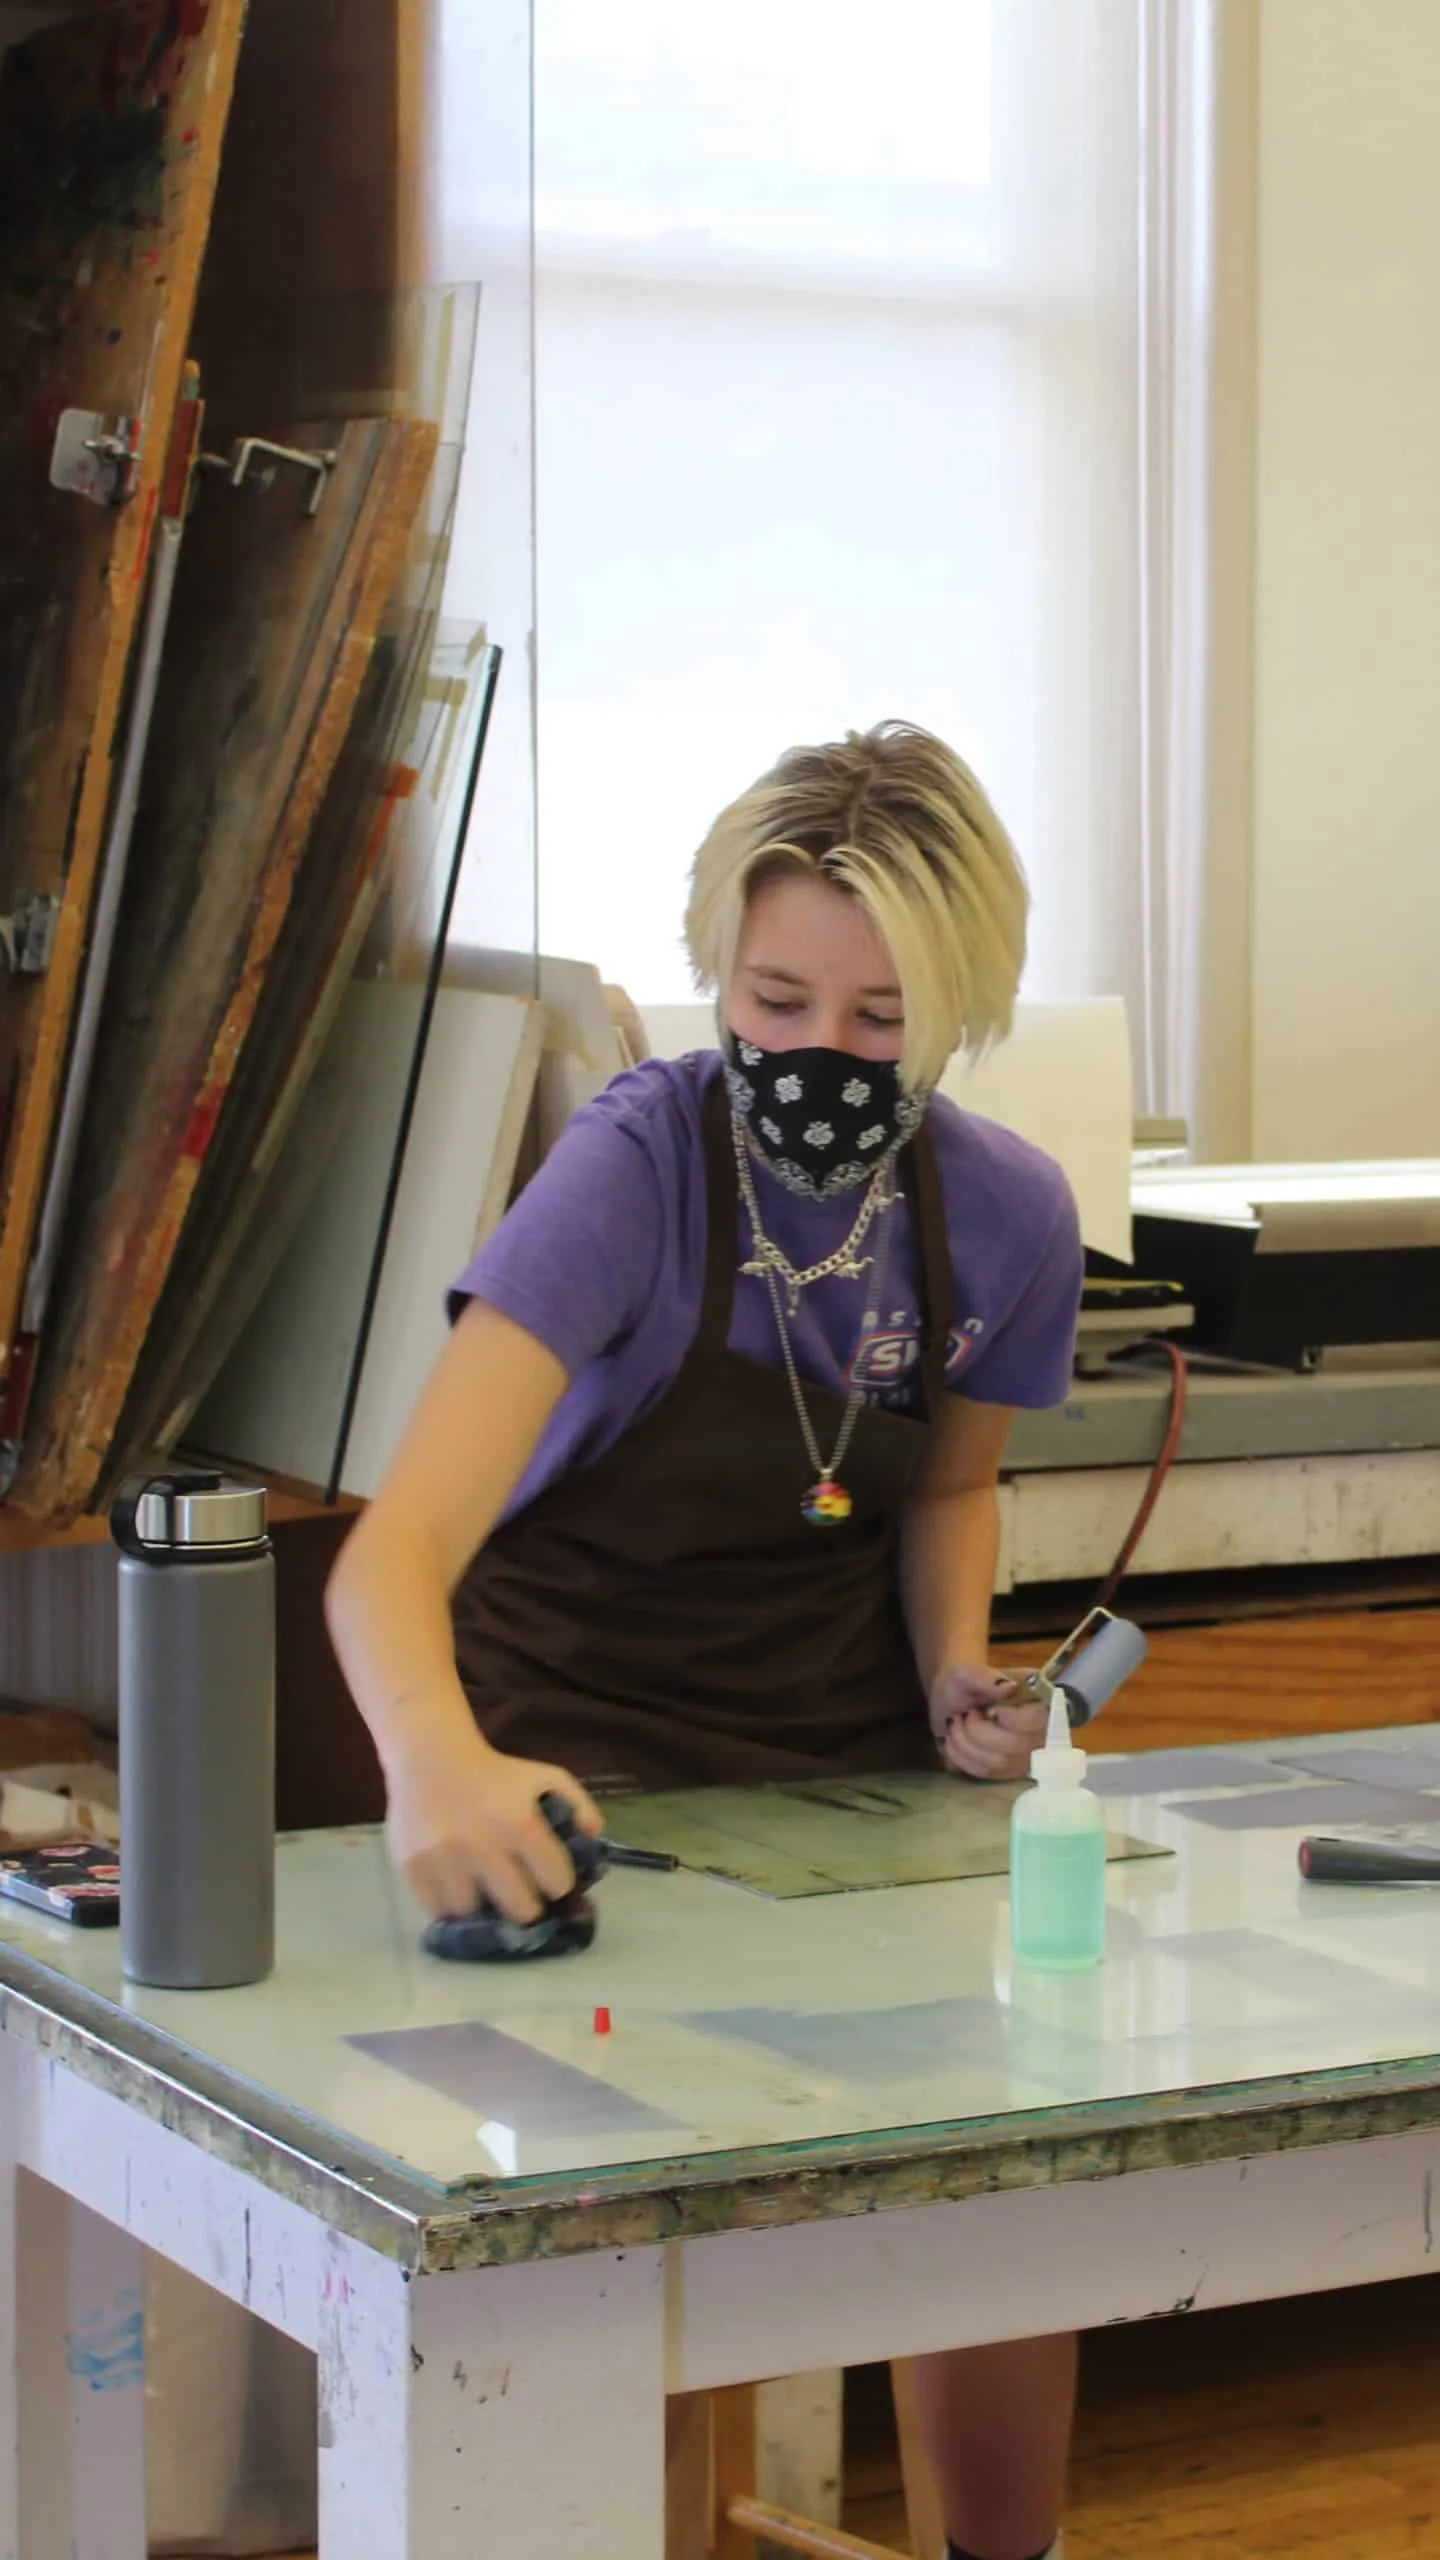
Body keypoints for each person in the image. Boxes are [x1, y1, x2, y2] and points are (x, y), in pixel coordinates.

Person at [326, 720, 1084, 2560]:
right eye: (779, 997)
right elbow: (388, 1563)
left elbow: (940, 1497)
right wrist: (439, 1762)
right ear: (714, 973)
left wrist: (952, 1688)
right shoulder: (636, 1169)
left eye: (884, 1019)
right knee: (599, 2239)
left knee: (1000, 2172)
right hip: (570, 1745)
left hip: (840, 1760)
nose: (822, 1053)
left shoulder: (1006, 1211)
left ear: (964, 1001)